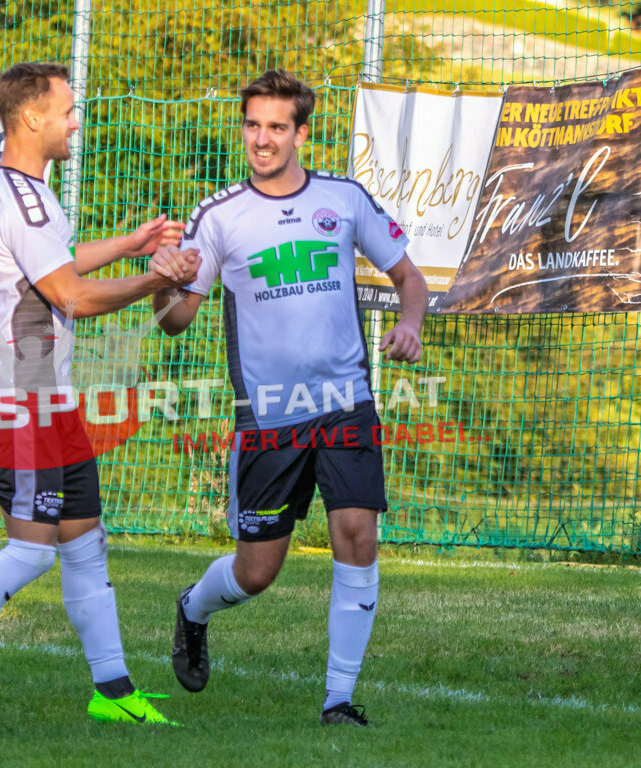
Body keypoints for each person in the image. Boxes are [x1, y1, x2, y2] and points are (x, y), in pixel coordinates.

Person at [0, 61, 199, 728]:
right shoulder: (23, 197)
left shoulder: (27, 188)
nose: (75, 121)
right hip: (15, 396)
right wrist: (153, 279)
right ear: (30, 117)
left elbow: (58, 260)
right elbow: (72, 297)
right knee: (31, 549)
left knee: (86, 540)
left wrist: (132, 244)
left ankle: (113, 694)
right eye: (66, 110)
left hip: (45, 395)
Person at [151, 70, 428, 726]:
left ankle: (338, 700)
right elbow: (175, 320)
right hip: (269, 417)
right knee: (256, 574)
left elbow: (409, 278)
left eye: (277, 127)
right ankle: (194, 608)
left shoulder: (344, 199)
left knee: (358, 533)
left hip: (346, 402)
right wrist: (165, 285)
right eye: (252, 125)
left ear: (301, 133)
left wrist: (410, 323)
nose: (262, 139)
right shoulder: (218, 217)